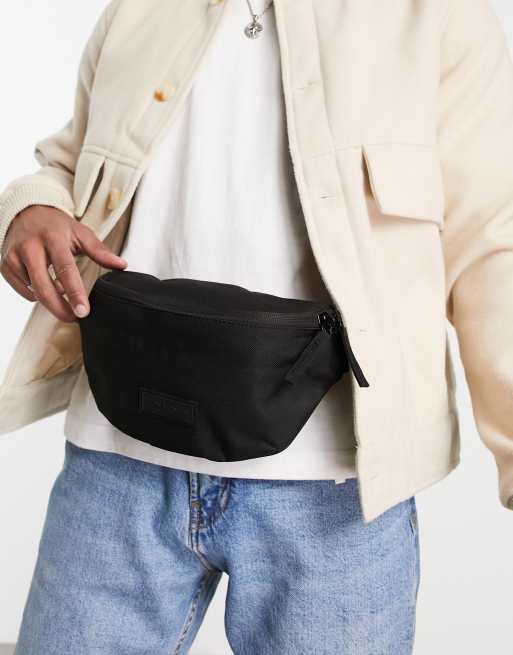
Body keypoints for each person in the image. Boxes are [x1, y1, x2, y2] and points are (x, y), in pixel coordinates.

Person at [0, 0, 512, 653]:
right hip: (115, 459)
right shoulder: (140, 9)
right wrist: (31, 206)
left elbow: (492, 246)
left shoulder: (437, 17)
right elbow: (70, 164)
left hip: (335, 485)